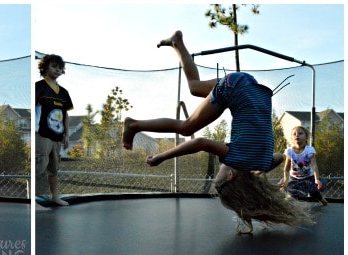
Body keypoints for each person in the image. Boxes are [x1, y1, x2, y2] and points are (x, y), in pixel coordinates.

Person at [122, 31, 314, 232]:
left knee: (195, 87)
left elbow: (279, 157)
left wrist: (256, 172)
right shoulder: (236, 158)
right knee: (187, 127)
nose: (222, 166)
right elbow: (200, 143)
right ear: (231, 176)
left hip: (251, 87)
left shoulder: (264, 162)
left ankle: (177, 43)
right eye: (221, 173)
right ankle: (134, 125)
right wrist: (161, 157)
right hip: (234, 88)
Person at [35, 54, 73, 207]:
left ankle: (54, 196)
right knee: (39, 165)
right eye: (54, 66)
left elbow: (66, 115)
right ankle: (33, 199)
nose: (58, 70)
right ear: (45, 68)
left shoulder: (63, 92)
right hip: (42, 134)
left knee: (54, 168)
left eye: (60, 68)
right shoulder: (39, 87)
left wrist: (66, 135)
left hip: (57, 136)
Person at [282, 126, 328, 206]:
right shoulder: (290, 151)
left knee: (313, 192)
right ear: (292, 138)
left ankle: (323, 201)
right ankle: (287, 204)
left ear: (306, 137)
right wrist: (285, 180)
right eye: (294, 134)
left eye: (300, 133)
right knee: (290, 193)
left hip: (308, 177)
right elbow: (286, 168)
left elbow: (314, 166)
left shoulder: (309, 150)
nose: (297, 135)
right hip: (294, 178)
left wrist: (317, 179)